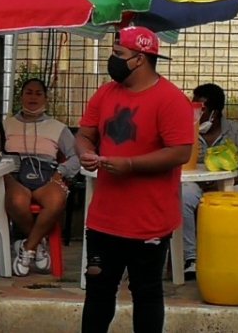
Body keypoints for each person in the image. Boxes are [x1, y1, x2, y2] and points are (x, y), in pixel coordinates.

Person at [76, 26, 195, 333]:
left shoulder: (171, 100)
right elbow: (85, 134)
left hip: (149, 220)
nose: (112, 59)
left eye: (118, 53)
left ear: (139, 59)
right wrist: (85, 152)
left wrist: (130, 164)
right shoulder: (105, 93)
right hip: (104, 218)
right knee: (98, 291)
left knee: (146, 292)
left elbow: (180, 152)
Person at [0, 78, 79, 277]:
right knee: (17, 200)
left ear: (45, 98)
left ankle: (28, 246)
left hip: (46, 177)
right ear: (21, 96)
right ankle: (37, 245)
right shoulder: (4, 126)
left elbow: (76, 157)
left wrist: (60, 173)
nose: (33, 97)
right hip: (14, 178)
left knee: (57, 200)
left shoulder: (58, 128)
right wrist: (3, 172)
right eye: (29, 92)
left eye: (38, 93)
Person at [181, 82, 238, 280]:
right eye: (194, 107)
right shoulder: (188, 130)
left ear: (215, 112)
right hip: (195, 184)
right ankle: (190, 258)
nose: (197, 114)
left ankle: (229, 255)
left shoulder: (235, 132)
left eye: (202, 110)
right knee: (184, 195)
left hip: (226, 185)